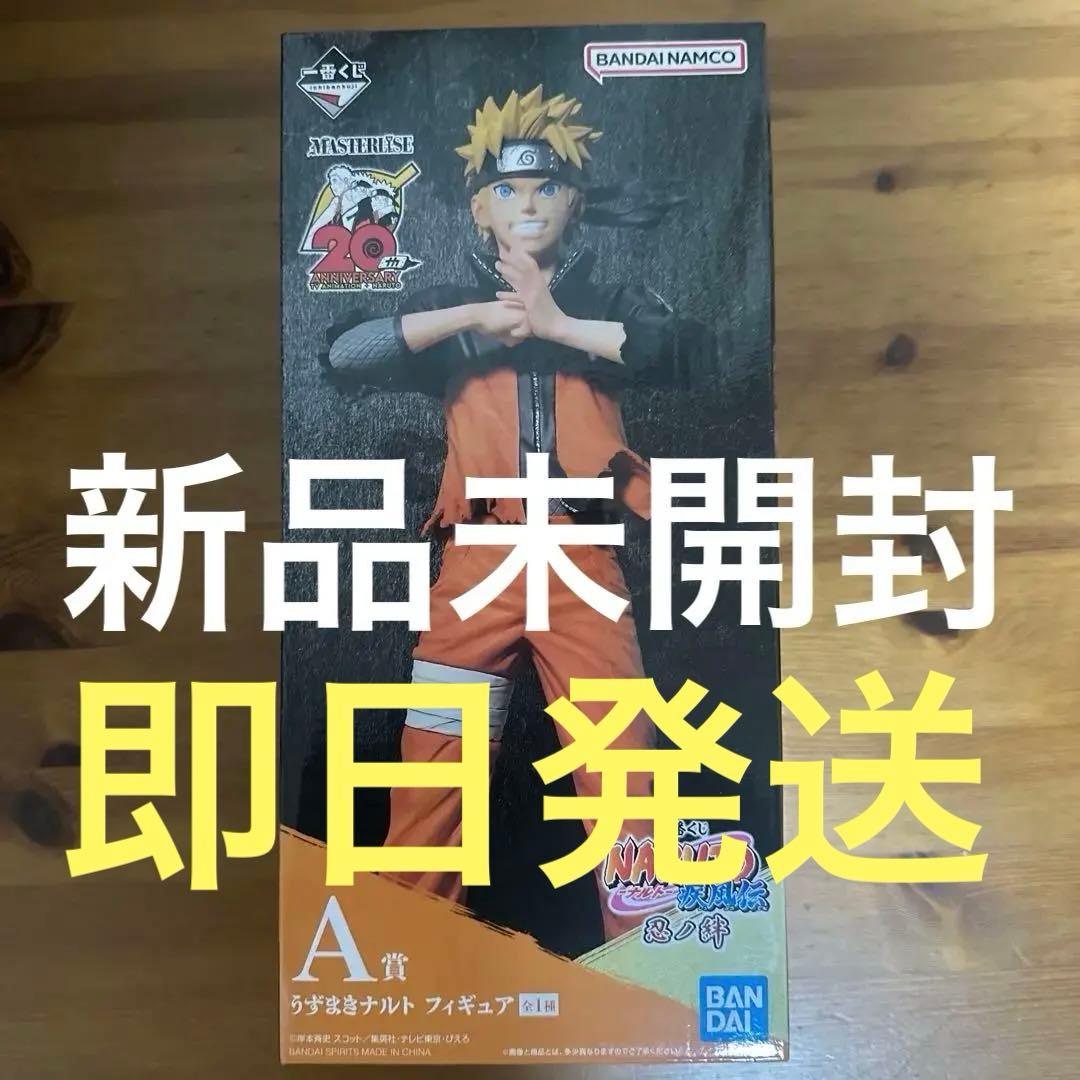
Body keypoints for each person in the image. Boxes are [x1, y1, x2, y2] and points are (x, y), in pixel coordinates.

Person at [324, 85, 709, 941]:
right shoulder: (451, 305)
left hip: (582, 560)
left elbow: (684, 351)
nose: (527, 204)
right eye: (506, 188)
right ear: (479, 207)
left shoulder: (610, 296)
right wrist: (472, 316)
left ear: (574, 202)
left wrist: (559, 324)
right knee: (435, 768)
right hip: (479, 561)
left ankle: (653, 965)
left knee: (625, 772)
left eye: (546, 187)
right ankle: (408, 957)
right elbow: (345, 353)